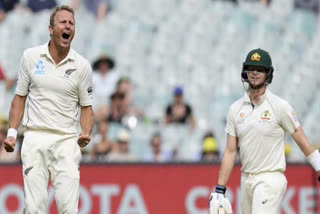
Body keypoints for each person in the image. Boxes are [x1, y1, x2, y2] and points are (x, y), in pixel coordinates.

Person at [2, 5, 94, 213]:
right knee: (34, 209)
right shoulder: (31, 57)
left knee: (68, 210)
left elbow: (87, 108)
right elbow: (19, 98)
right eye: (63, 22)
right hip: (35, 137)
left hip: (66, 141)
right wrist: (11, 133)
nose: (68, 26)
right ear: (51, 29)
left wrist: (86, 132)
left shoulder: (81, 66)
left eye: (71, 23)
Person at [209, 48, 320, 214]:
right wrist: (220, 188)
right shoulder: (235, 109)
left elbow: (300, 139)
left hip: (270, 178)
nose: (254, 73)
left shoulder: (280, 107)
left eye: (260, 70)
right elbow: (231, 151)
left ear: (268, 74)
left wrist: (318, 166)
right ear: (244, 72)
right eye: (251, 69)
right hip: (246, 179)